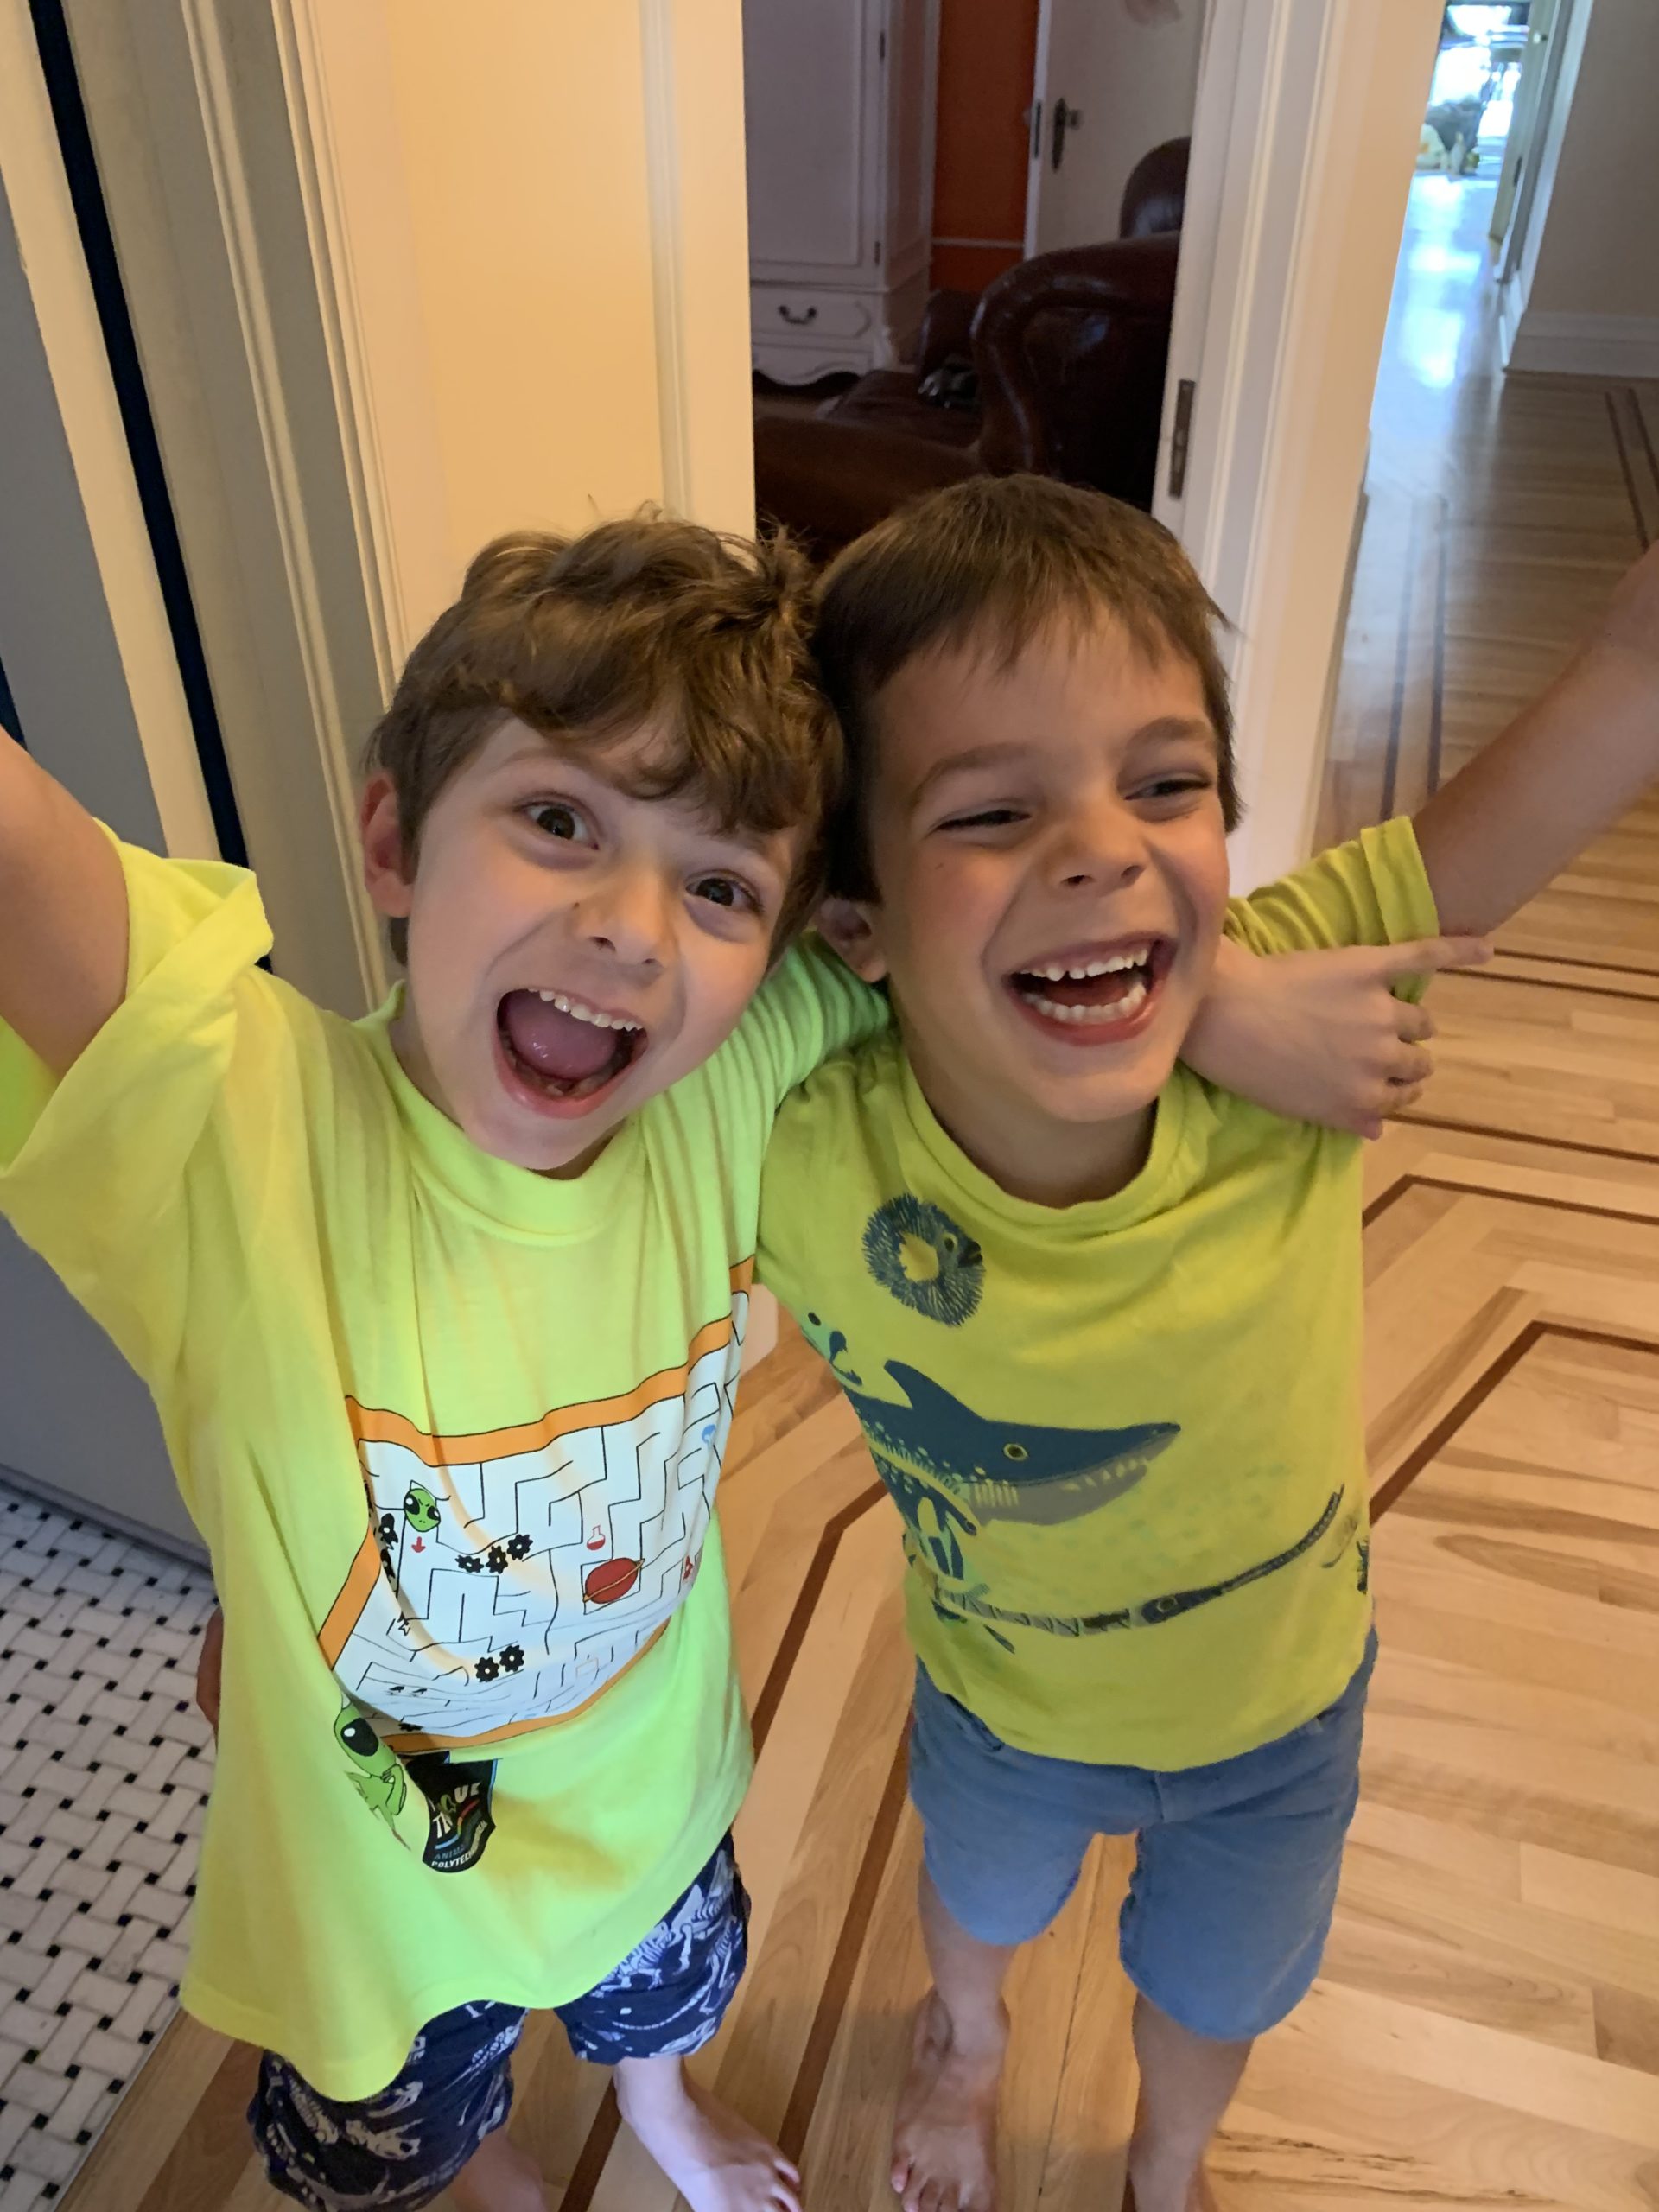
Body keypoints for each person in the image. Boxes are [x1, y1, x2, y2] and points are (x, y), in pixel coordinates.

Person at [2, 506, 1456, 2212]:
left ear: (783, 940)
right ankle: (489, 2173)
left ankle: (659, 2105)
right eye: (560, 820)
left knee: (662, 2005)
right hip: (375, 1891)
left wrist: (1209, 995)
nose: (634, 927)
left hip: (656, 1806)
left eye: (719, 887)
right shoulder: (236, 1133)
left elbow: (976, 938)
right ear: (392, 837)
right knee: (416, 2128)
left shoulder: (720, 1085)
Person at [753, 474, 1659, 2212]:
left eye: (1164, 785)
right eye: (993, 808)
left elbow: (1626, 678)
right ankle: (966, 2042)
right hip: (1003, 1702)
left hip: (1283, 1710)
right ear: (851, 919)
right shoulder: (794, 1127)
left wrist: (1215, 975)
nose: (1103, 847)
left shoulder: (1315, 978)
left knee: (1223, 1993)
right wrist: (1214, 994)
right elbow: (668, 964)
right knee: (980, 1907)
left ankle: (1168, 2161)